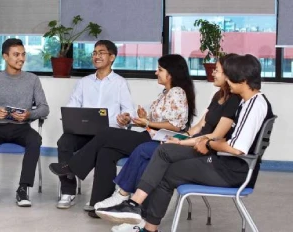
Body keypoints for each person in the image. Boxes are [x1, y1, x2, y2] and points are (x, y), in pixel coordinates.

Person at [96, 54, 274, 232]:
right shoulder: (248, 102)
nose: (226, 80)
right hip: (225, 164)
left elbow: (236, 148)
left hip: (230, 171)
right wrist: (192, 140)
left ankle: (136, 210)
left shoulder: (253, 105)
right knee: (164, 161)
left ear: (242, 80)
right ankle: (139, 213)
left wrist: (208, 143)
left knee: (163, 165)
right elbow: (216, 135)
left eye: (229, 77)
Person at [49, 54, 196, 217]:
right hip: (149, 135)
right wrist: (145, 118)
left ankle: (73, 167)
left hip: (157, 141)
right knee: (106, 152)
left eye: (160, 69)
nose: (156, 72)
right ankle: (98, 204)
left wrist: (147, 123)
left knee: (105, 133)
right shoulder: (165, 93)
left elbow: (175, 126)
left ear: (172, 73)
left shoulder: (177, 92)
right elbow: (164, 119)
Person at [55, 40, 135, 210]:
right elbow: (73, 104)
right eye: (94, 52)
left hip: (108, 133)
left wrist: (125, 119)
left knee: (103, 151)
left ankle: (99, 198)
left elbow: (129, 112)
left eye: (101, 52)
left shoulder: (120, 83)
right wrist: (69, 116)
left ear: (112, 57)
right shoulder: (84, 82)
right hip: (84, 132)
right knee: (64, 142)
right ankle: (68, 192)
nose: (96, 56)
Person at [0, 38, 50, 207]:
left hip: (22, 127)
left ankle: (23, 189)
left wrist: (30, 114)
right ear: (5, 57)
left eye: (23, 54)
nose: (21, 58)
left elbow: (45, 108)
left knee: (35, 140)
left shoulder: (32, 80)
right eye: (16, 55)